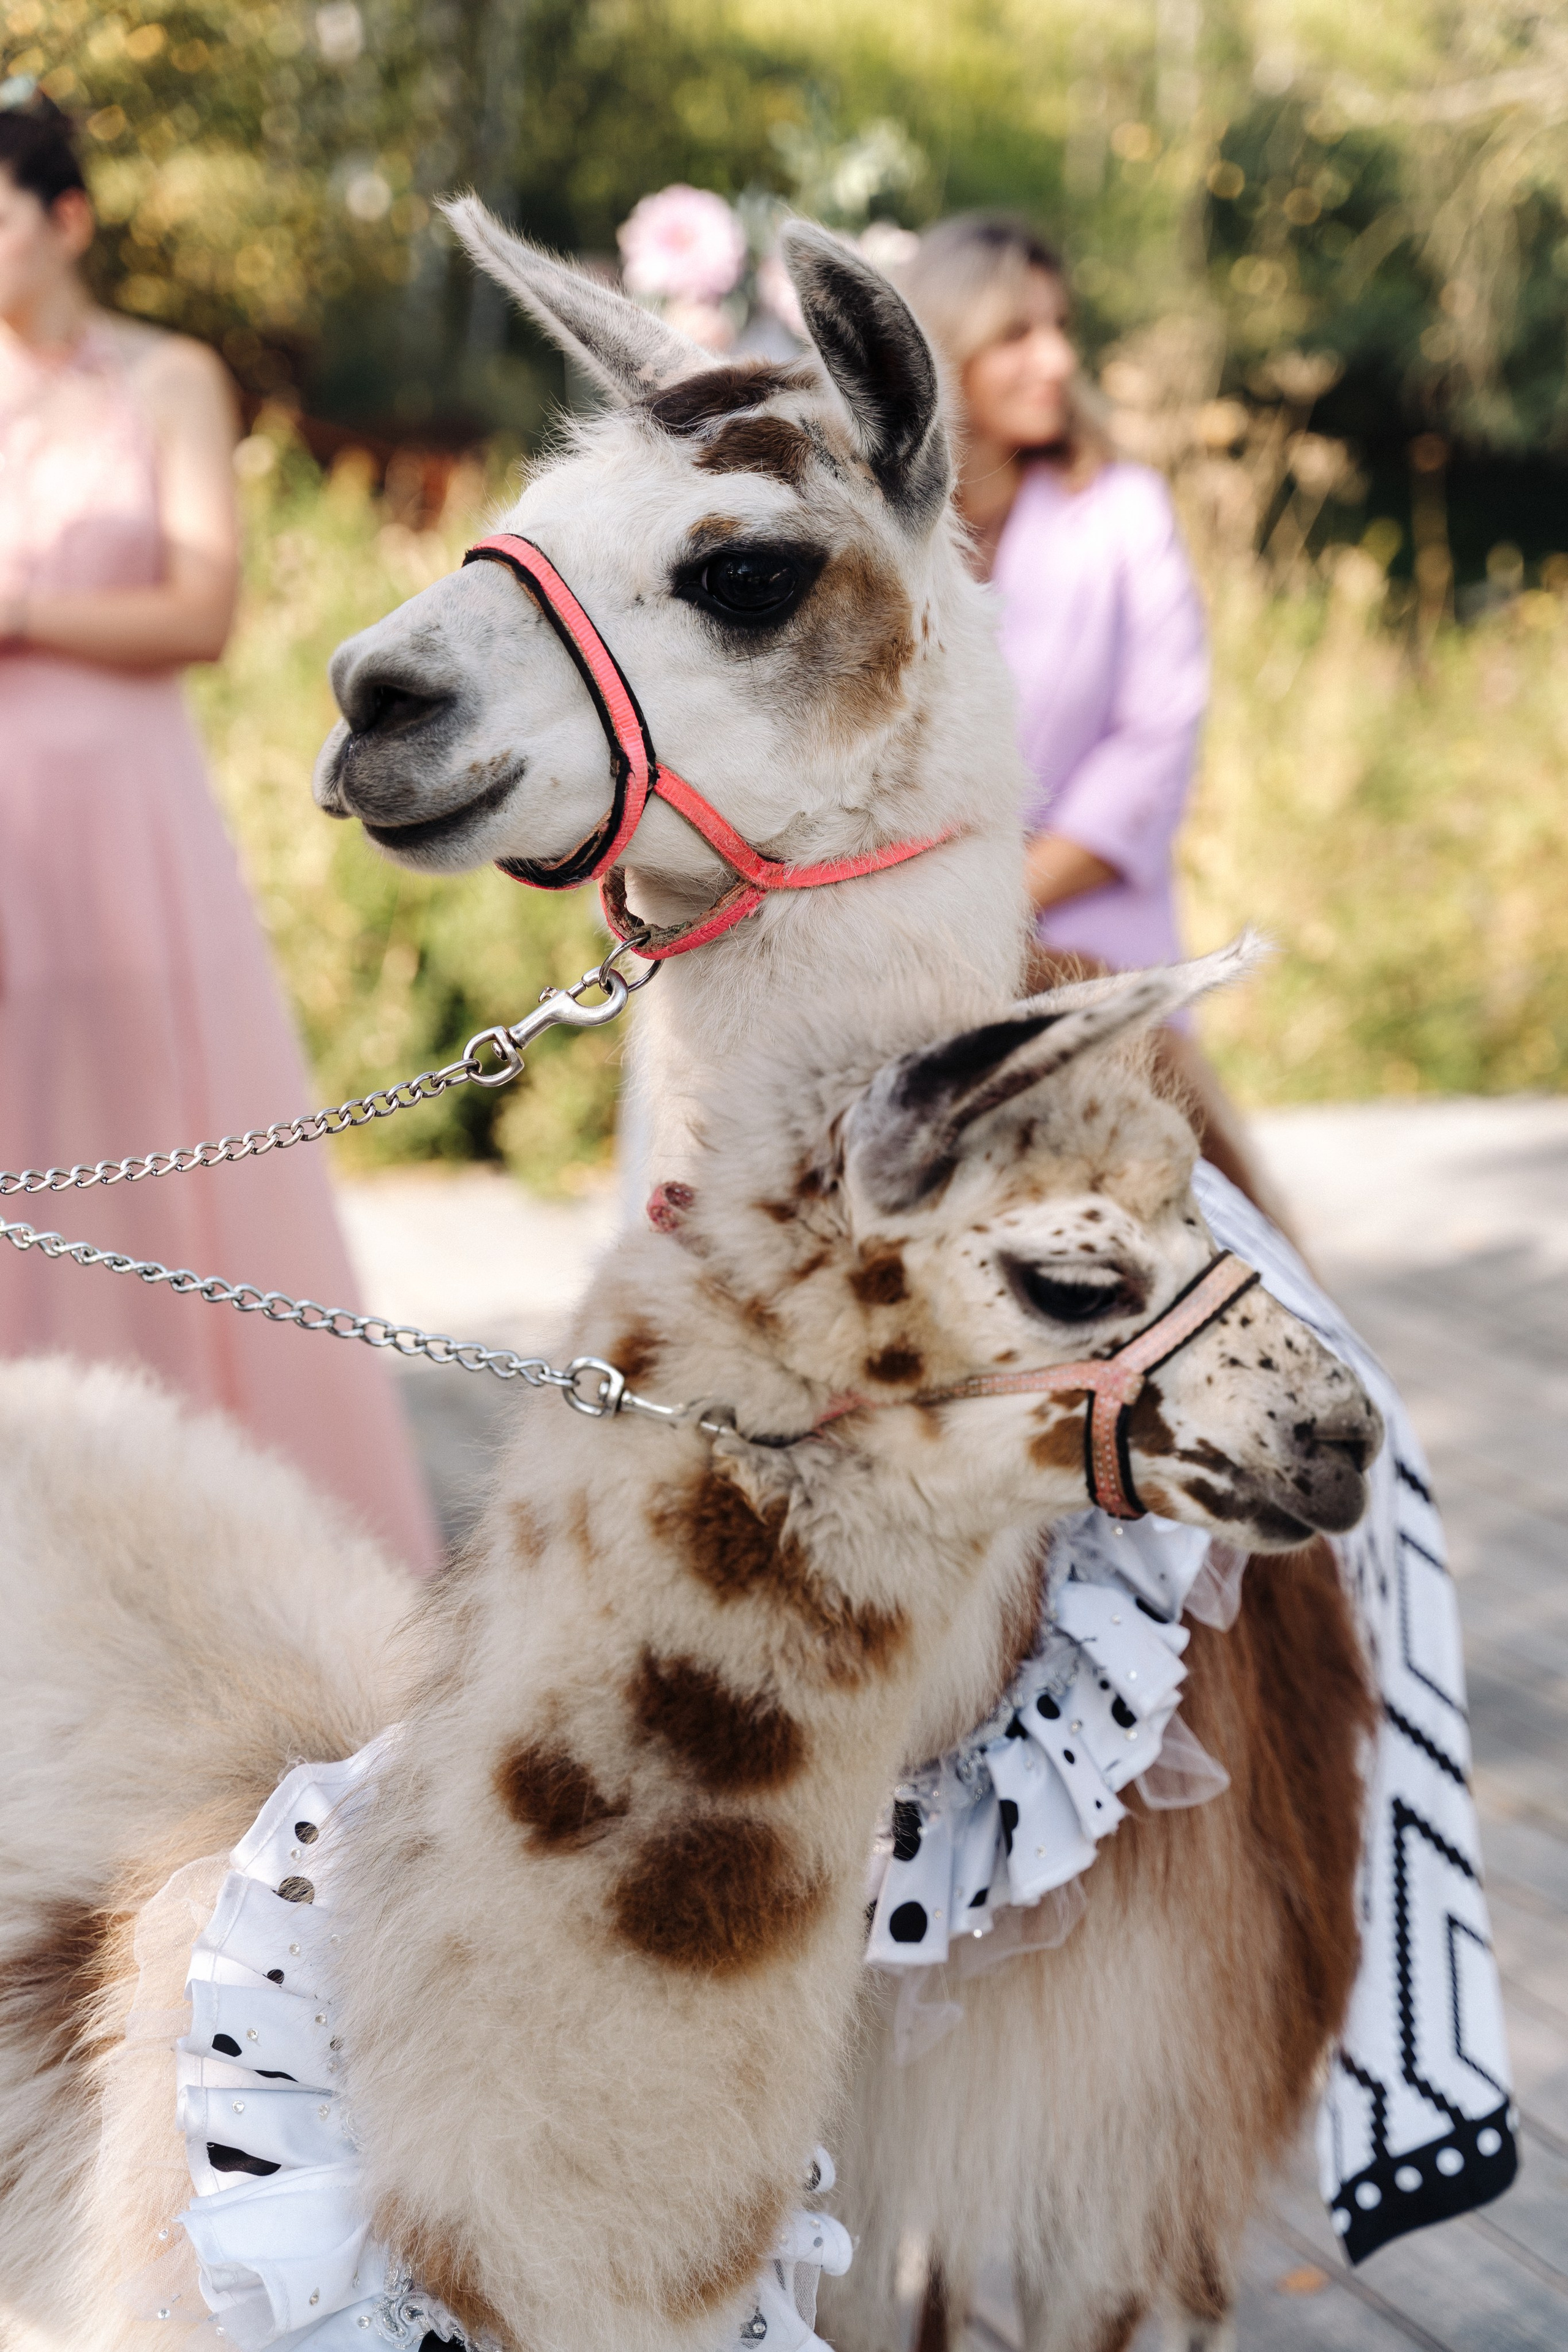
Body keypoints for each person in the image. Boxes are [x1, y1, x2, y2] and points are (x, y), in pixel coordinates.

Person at [0, 94, 440, 1571]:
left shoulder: (167, 377)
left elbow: (202, 609)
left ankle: (195, 1519)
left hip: (125, 813)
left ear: (66, 218)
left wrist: (21, 608)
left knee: (146, 1132)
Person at [898, 214, 1283, 1218]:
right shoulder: (875, 538)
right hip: (888, 955)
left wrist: (989, 908)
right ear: (943, 345)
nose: (1058, 359)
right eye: (1017, 334)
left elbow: (1154, 745)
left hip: (1084, 941)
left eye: (1060, 327)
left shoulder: (1123, 512)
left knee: (1206, 1226)